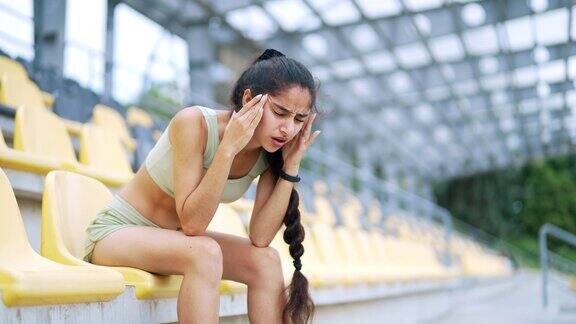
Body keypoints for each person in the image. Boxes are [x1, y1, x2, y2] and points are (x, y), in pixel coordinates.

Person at [84, 48, 320, 324]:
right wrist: (228, 147)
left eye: (299, 120)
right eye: (280, 113)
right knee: (205, 253)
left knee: (266, 262)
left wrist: (291, 166)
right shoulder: (194, 123)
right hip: (119, 233)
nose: (288, 129)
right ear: (249, 99)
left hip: (175, 243)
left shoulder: (271, 153)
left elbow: (260, 237)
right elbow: (193, 225)